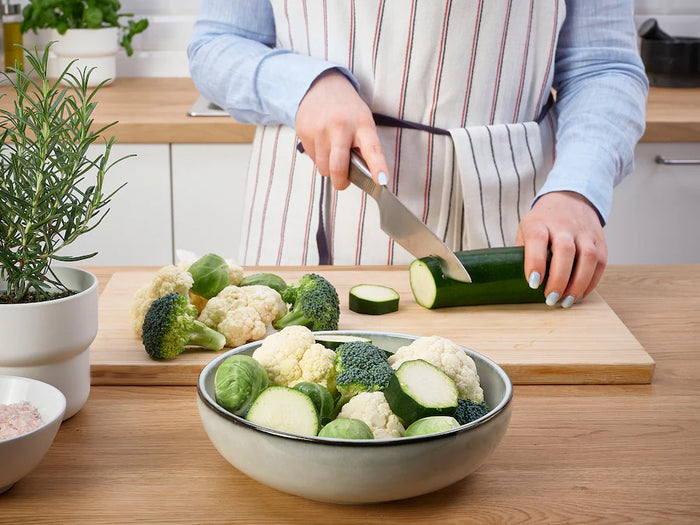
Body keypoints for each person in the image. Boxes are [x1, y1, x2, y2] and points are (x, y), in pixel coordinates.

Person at [188, 0, 648, 308]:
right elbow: (216, 44)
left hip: (513, 227)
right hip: (312, 200)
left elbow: (604, 66)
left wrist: (575, 190)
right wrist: (305, 85)